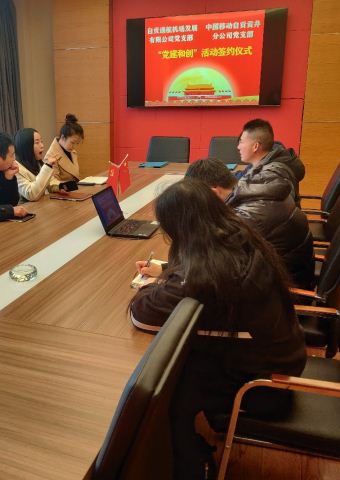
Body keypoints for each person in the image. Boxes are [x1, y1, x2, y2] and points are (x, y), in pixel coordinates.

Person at [130, 178, 306, 479]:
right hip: (281, 357)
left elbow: (141, 313)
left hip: (264, 387)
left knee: (164, 392)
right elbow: (198, 276)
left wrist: (154, 286)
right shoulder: (239, 237)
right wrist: (168, 271)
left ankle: (191, 466)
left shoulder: (209, 277)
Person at [186, 157, 314, 289]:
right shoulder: (256, 191)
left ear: (213, 192)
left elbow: (215, 266)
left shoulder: (247, 217)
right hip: (291, 276)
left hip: (284, 291)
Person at [236, 118, 305, 205]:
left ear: (255, 146)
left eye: (241, 142)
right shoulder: (263, 162)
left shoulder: (271, 175)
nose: (238, 147)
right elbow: (243, 176)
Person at [14, 128, 61, 201]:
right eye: (37, 142)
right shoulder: (15, 168)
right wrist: (48, 166)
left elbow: (50, 183)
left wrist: (60, 187)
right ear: (26, 146)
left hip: (42, 204)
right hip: (27, 207)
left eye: (41, 141)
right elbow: (31, 194)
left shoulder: (37, 162)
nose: (42, 145)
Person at [44, 113, 84, 183]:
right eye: (72, 143)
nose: (74, 146)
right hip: (64, 189)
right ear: (63, 137)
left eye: (77, 143)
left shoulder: (71, 151)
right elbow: (53, 184)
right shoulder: (50, 157)